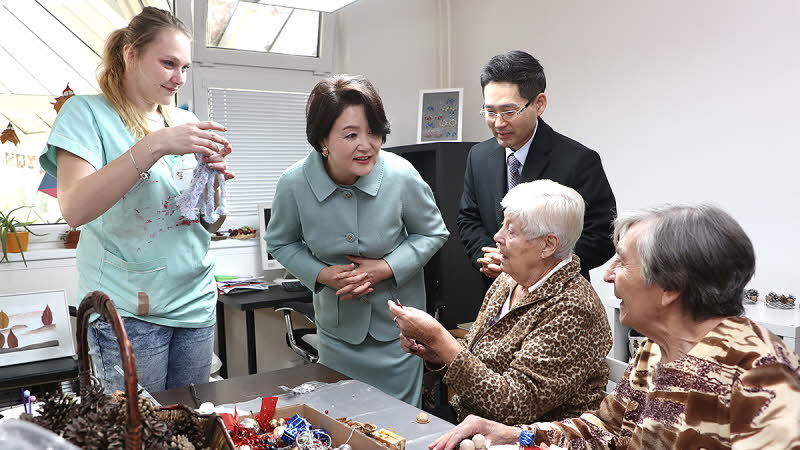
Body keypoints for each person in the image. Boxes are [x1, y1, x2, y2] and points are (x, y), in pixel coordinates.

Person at [430, 204, 800, 450]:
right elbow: (609, 430)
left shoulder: (762, 374)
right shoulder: (656, 348)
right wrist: (517, 435)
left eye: (620, 263)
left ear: (670, 286)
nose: (606, 275)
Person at [40, 7, 234, 393]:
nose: (178, 78)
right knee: (138, 432)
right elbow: (75, 209)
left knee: (191, 424)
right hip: (130, 311)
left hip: (195, 302)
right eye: (167, 63)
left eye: (185, 67)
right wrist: (155, 145)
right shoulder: (86, 113)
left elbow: (209, 224)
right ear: (130, 54)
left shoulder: (184, 120)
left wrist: (212, 185)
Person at [266, 75, 449, 406]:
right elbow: (280, 242)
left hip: (398, 334)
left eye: (374, 132)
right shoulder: (294, 183)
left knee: (403, 428)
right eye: (351, 135)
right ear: (323, 139)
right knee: (343, 422)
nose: (367, 145)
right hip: (339, 336)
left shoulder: (401, 174)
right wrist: (322, 275)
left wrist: (385, 268)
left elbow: (433, 232)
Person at [389, 180, 611, 425]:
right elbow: (478, 358)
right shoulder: (508, 279)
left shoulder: (573, 308)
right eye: (503, 225)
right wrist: (435, 353)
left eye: (512, 231)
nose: (497, 236)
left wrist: (439, 338)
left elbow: (513, 408)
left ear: (548, 245)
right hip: (474, 420)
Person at [457, 50, 616, 285]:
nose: (499, 123)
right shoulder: (479, 157)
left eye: (509, 111)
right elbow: (468, 219)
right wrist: (491, 256)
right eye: (490, 112)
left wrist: (534, 265)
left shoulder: (578, 160)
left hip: (558, 297)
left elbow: (603, 235)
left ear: (539, 104)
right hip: (497, 294)